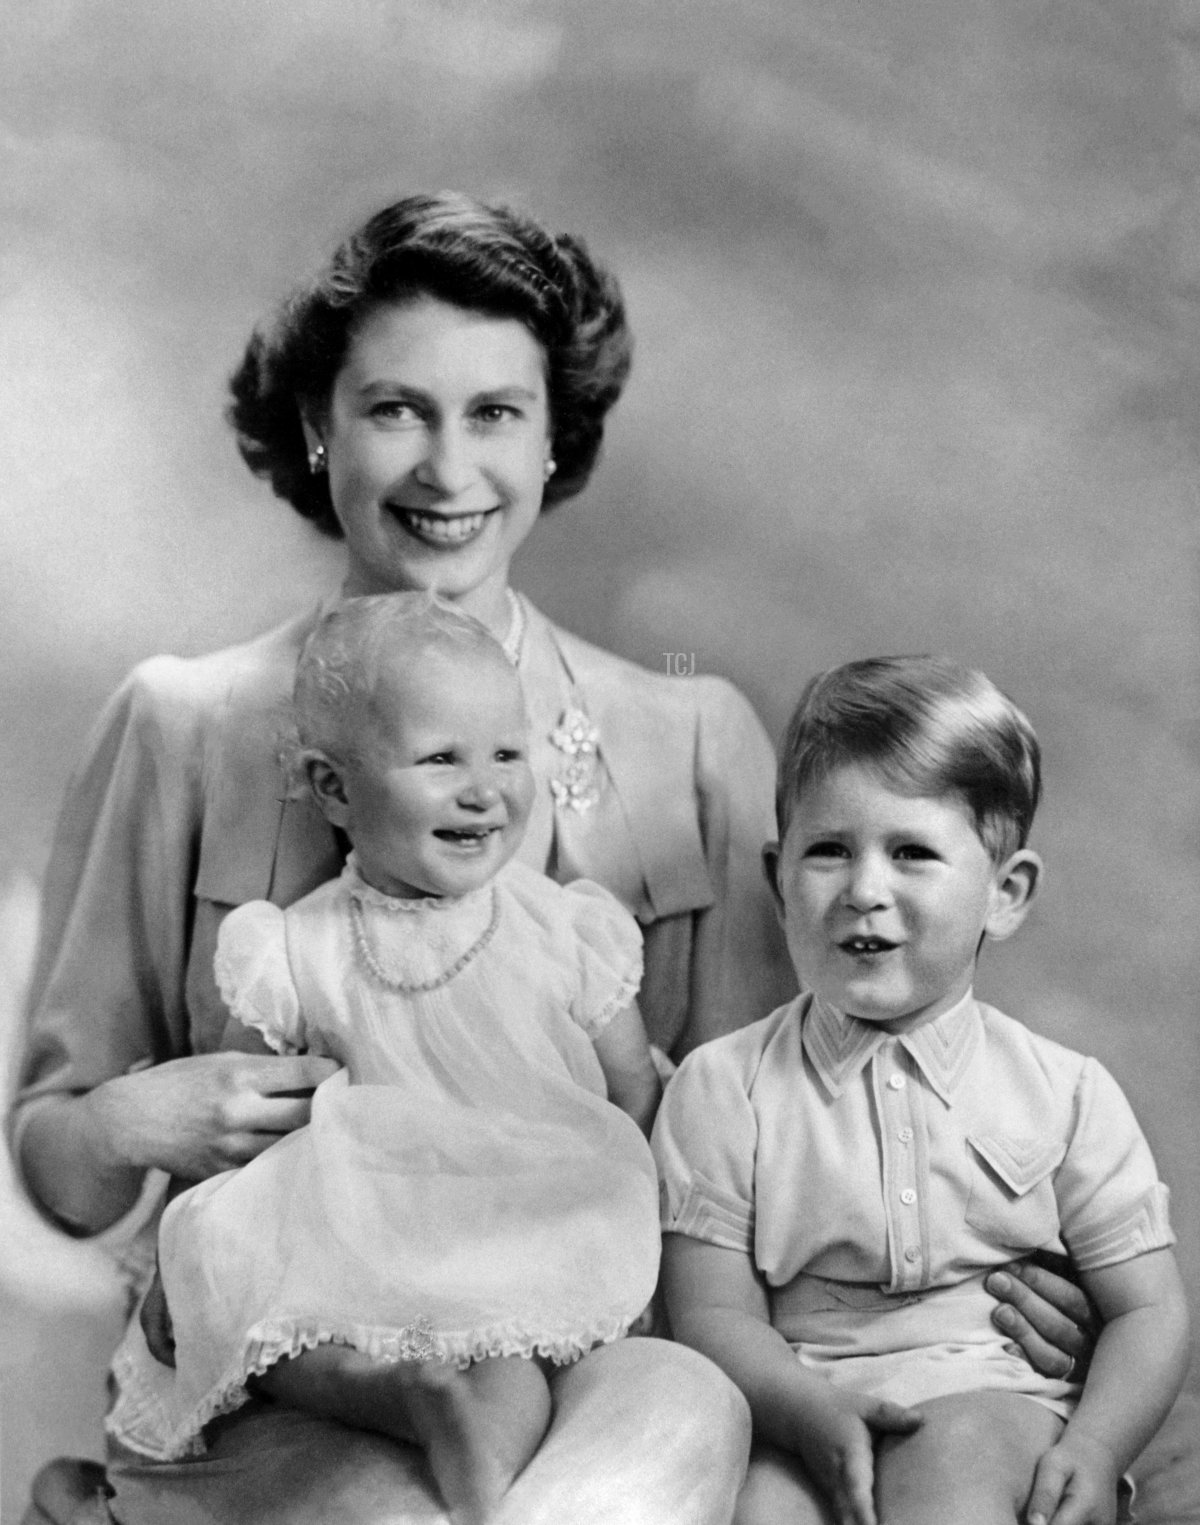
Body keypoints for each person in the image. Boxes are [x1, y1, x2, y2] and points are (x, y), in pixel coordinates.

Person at [10, 191, 1092, 1522]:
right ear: (316, 423)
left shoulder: (688, 737)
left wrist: (1001, 1264)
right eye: (395, 409)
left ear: (553, 437)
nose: (445, 471)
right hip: (301, 1379)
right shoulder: (185, 724)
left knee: (694, 1420)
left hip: (613, 1337)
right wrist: (138, 1115)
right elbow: (59, 1169)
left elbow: (798, 1114)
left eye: (495, 414)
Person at [108, 593, 664, 1522]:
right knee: (271, 1345)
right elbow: (233, 1117)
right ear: (333, 788)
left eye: (507, 753)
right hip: (349, 1223)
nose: (484, 788)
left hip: (508, 1220)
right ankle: (397, 1395)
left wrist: (628, 1226)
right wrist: (181, 1253)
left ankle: (475, 1458)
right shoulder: (296, 946)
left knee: (510, 1361)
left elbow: (638, 1088)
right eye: (443, 758)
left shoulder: (563, 930)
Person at [653, 656, 1190, 1525]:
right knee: (754, 1511)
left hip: (988, 1391)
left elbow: (1148, 1307)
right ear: (776, 878)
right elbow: (712, 1309)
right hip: (797, 1395)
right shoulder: (723, 1089)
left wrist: (1095, 1446)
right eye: (828, 850)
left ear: (1004, 894)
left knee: (953, 1489)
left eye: (912, 853)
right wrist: (803, 1408)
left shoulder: (1065, 1092)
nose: (866, 890)